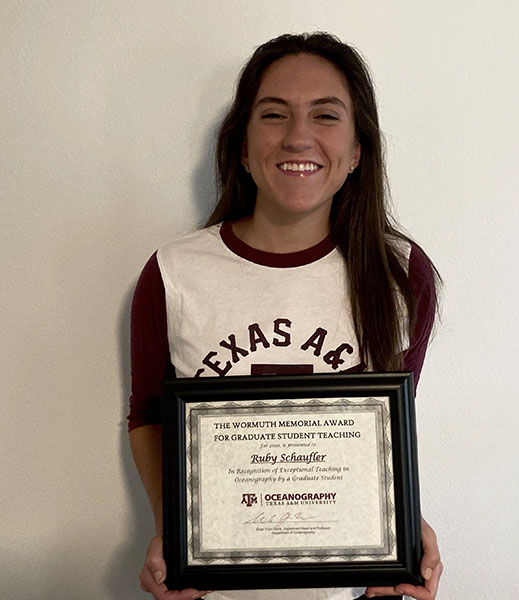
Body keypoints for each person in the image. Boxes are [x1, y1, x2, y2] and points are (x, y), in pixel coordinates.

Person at [128, 32, 443, 600]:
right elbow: (149, 415)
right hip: (211, 589)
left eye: (326, 116)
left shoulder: (402, 275)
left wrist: (401, 529)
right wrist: (170, 528)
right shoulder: (173, 272)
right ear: (243, 148)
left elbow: (390, 429)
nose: (299, 136)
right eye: (274, 114)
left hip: (353, 589)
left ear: (356, 151)